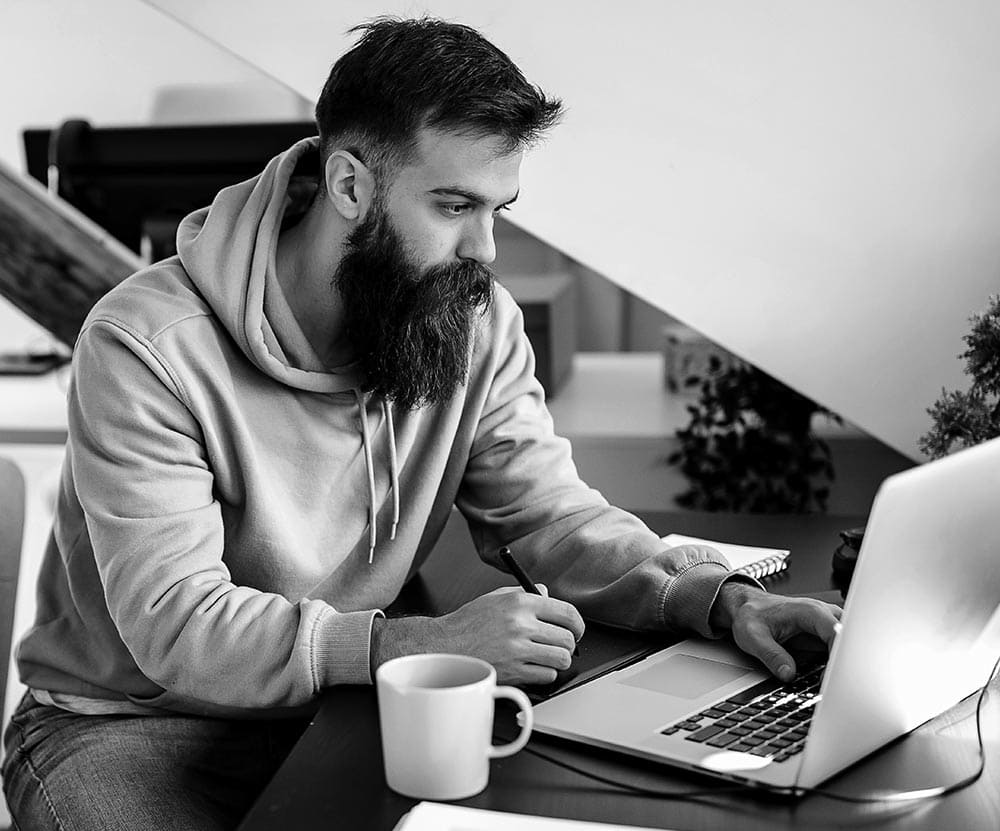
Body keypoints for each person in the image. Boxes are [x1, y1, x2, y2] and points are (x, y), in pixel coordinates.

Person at [2, 16, 841, 831]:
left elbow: (552, 516)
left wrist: (721, 600)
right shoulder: (146, 344)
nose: (486, 249)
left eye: (498, 209)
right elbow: (178, 622)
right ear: (350, 186)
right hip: (129, 726)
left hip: (348, 703)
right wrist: (412, 645)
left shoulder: (469, 320)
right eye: (454, 206)